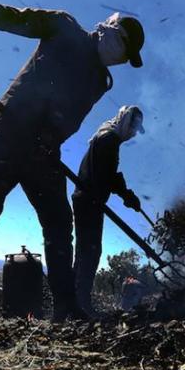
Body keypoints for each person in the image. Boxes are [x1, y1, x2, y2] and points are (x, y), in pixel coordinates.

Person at [0, 4, 145, 328]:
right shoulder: (63, 27)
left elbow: (68, 119)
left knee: (58, 225)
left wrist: (49, 140)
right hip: (9, 134)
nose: (122, 59)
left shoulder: (99, 80)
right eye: (124, 49)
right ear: (109, 30)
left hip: (43, 154)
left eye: (127, 57)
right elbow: (4, 16)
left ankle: (64, 310)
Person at [72, 105, 145, 316]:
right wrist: (127, 195)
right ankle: (80, 305)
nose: (132, 133)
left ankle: (75, 302)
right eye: (132, 127)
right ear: (124, 121)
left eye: (136, 130)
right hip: (88, 200)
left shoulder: (107, 136)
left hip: (88, 199)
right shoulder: (109, 139)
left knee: (86, 250)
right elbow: (108, 176)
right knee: (90, 251)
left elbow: (108, 175)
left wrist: (126, 195)